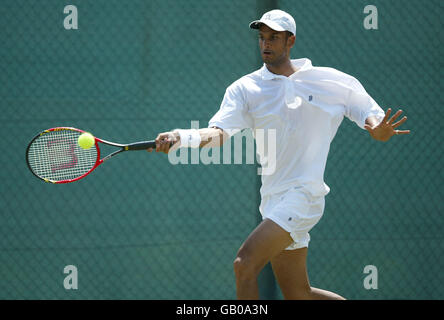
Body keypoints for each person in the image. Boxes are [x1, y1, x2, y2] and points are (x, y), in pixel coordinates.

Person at [148, 9, 410, 300]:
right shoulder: (244, 89)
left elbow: (370, 117)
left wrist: (378, 130)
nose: (266, 43)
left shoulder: (331, 81)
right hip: (273, 200)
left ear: (291, 41)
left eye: (274, 37)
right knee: (299, 293)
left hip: (305, 195)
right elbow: (219, 133)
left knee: (244, 264)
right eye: (262, 37)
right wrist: (181, 137)